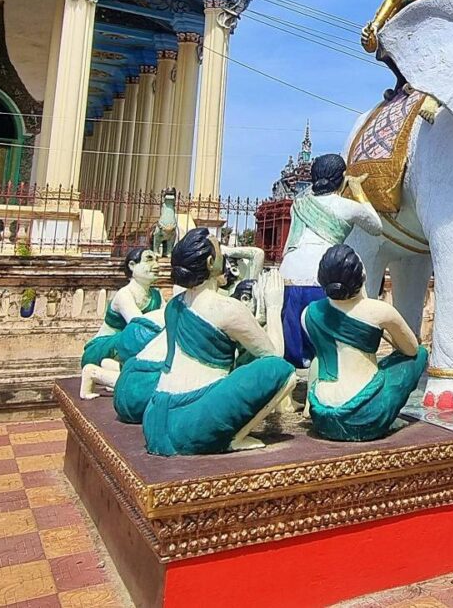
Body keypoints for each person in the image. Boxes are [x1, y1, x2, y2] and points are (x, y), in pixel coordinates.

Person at [142, 229, 296, 455]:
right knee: (283, 372)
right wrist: (274, 306)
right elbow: (274, 356)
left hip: (154, 417)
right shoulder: (226, 308)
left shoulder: (174, 305)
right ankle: (233, 438)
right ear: (210, 261)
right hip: (191, 423)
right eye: (219, 249)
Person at [302, 245, 428, 442]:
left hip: (322, 415)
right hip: (364, 415)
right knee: (420, 355)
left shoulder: (308, 313)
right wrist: (383, 331)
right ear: (362, 275)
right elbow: (410, 349)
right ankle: (387, 419)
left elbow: (322, 355)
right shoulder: (379, 312)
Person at [279, 154, 383, 369]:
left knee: (292, 341)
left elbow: (311, 192)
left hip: (290, 271)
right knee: (325, 345)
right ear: (342, 178)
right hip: (324, 272)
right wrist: (357, 190)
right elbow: (376, 226)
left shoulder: (298, 204)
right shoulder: (347, 207)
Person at [79, 247, 163, 399]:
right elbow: (139, 326)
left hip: (128, 348)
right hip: (103, 348)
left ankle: (110, 368)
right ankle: (105, 367)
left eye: (156, 260)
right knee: (142, 335)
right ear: (132, 265)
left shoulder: (156, 295)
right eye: (149, 259)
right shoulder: (124, 294)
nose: (156, 265)